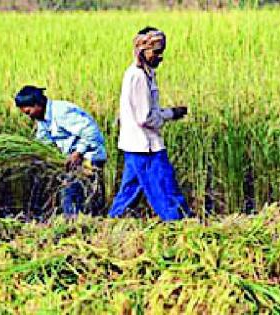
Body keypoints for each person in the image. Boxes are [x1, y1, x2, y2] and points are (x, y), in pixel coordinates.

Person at [108, 26, 193, 221]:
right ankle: (178, 223)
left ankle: (112, 221)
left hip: (136, 144)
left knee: (130, 190)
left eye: (161, 52)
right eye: (156, 52)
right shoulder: (137, 76)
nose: (160, 57)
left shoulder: (145, 73)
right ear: (142, 50)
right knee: (164, 185)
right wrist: (171, 114)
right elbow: (145, 117)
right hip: (144, 145)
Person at [15, 85, 107, 218]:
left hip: (89, 157)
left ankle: (78, 225)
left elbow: (91, 131)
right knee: (75, 195)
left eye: (28, 112)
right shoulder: (43, 119)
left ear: (37, 104)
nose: (29, 116)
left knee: (71, 193)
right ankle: (83, 223)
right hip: (73, 160)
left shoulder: (62, 113)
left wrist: (78, 153)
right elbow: (43, 140)